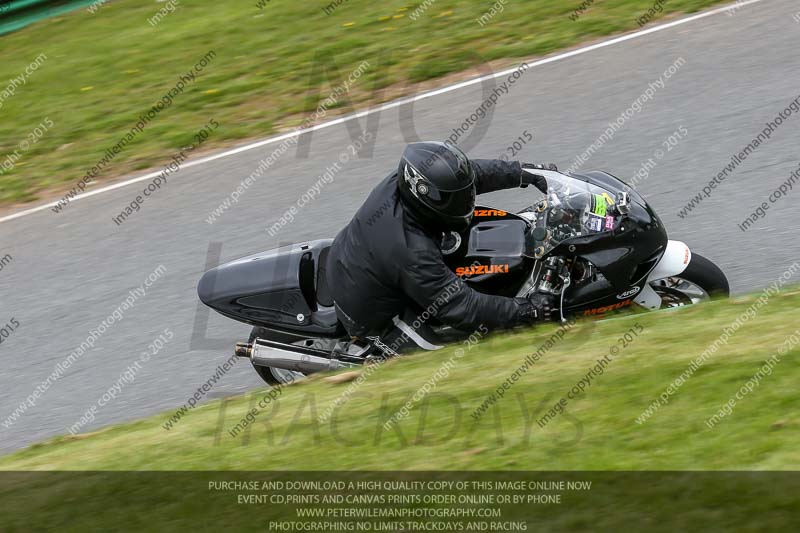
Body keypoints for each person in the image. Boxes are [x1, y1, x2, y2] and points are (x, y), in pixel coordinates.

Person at [326, 141, 556, 356]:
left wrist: (525, 173)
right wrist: (526, 310)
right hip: (372, 311)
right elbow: (462, 308)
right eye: (455, 200)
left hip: (364, 258)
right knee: (451, 355)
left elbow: (470, 176)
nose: (466, 201)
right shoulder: (410, 249)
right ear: (424, 197)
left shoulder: (411, 180)